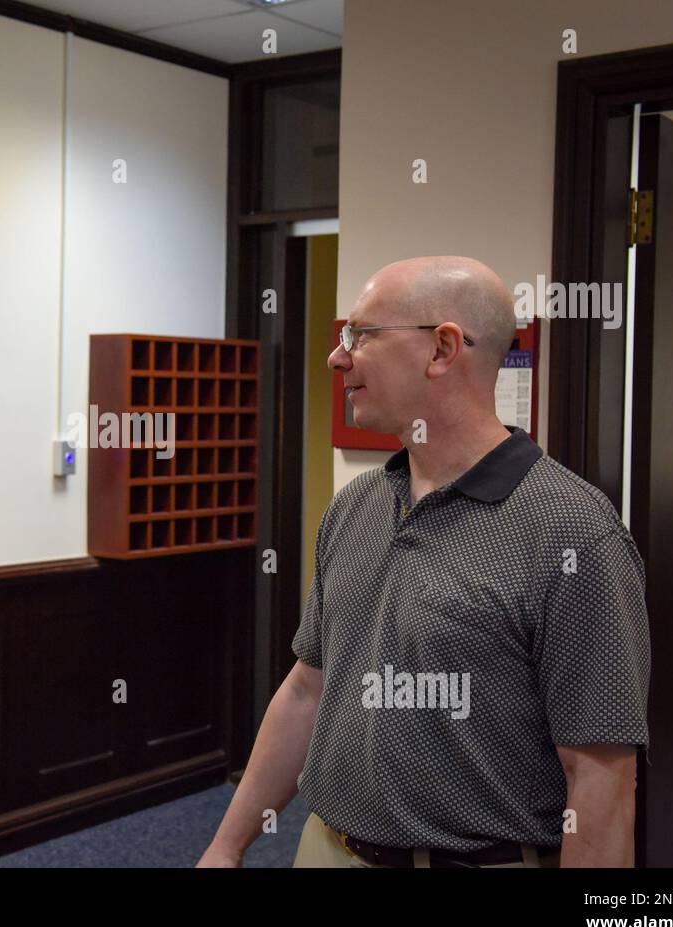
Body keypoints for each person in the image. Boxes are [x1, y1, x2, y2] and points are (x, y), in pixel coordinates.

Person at [197, 256, 650, 868]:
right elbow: (308, 690)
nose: (337, 357)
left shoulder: (572, 533)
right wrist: (226, 847)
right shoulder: (354, 506)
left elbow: (600, 779)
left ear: (442, 348)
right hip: (328, 849)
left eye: (359, 335)